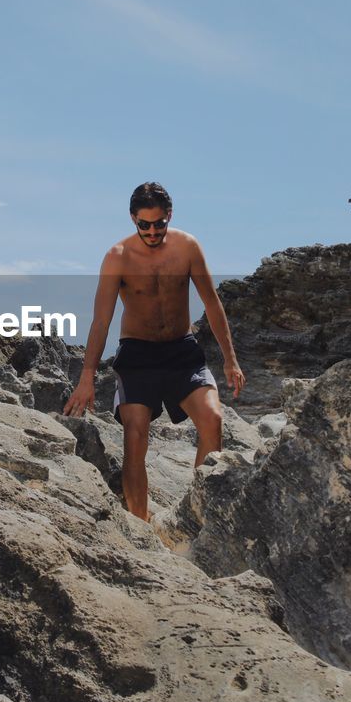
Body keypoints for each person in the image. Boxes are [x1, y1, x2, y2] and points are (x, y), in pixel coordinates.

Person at [63, 182, 245, 521]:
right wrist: (86, 377)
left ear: (169, 216)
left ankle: (197, 515)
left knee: (213, 421)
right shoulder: (118, 257)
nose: (151, 231)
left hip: (182, 351)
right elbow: (101, 321)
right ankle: (141, 527)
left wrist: (230, 360)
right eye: (143, 224)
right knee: (135, 438)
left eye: (158, 223)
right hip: (138, 355)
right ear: (133, 218)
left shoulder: (187, 247)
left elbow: (212, 304)